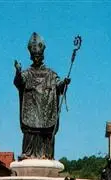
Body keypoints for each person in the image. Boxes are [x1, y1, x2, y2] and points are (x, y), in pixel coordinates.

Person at [14, 32, 70, 160]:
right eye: (34, 56)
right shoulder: (27, 73)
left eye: (38, 56)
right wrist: (17, 72)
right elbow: (19, 82)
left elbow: (59, 86)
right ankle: (28, 153)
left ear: (42, 56)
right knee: (30, 130)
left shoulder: (50, 74)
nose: (36, 59)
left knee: (47, 131)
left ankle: (46, 154)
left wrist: (64, 83)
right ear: (31, 57)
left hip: (46, 111)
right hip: (31, 111)